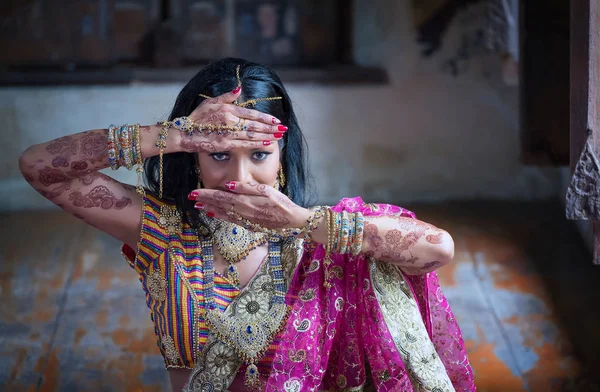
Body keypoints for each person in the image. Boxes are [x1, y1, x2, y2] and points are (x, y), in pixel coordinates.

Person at [19, 58, 476, 392]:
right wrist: (174, 134)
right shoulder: (162, 231)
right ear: (194, 160)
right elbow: (39, 166)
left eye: (259, 154)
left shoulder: (324, 240)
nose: (239, 178)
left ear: (282, 155)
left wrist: (302, 221)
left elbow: (439, 249)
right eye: (219, 155)